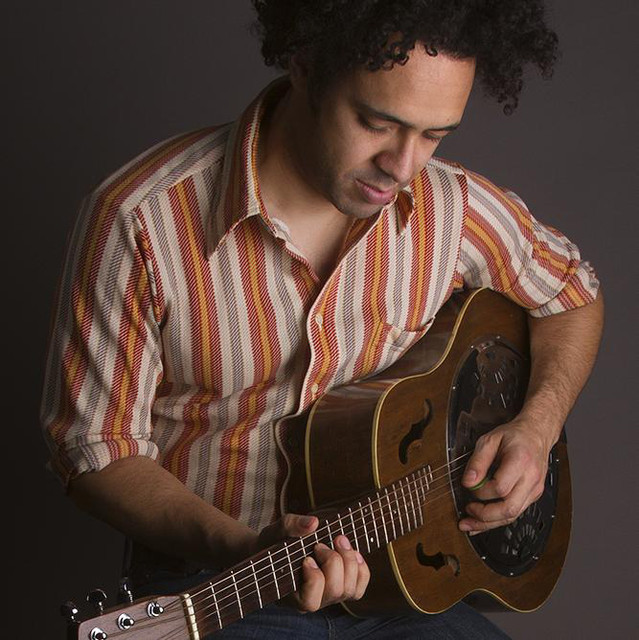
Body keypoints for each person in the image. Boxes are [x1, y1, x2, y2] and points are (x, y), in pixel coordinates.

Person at [41, 1, 603, 638]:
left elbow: (573, 295)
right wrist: (243, 547)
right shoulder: (140, 220)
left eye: (434, 136)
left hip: (407, 577)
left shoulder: (453, 209)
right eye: (376, 123)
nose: (403, 166)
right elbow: (96, 450)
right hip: (220, 582)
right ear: (305, 64)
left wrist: (538, 424)